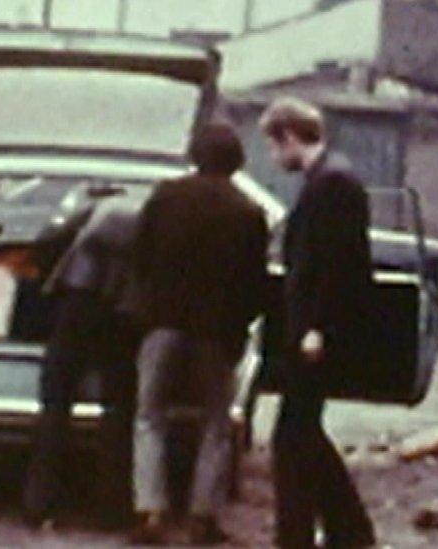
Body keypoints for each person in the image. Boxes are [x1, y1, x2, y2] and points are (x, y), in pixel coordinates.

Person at [130, 122, 268, 545]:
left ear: (194, 154)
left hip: (163, 325)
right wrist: (239, 325)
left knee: (150, 417)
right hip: (215, 333)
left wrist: (146, 311)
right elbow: (254, 282)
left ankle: (151, 511)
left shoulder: (165, 198)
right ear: (236, 162)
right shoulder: (248, 212)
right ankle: (202, 518)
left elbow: (138, 258)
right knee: (215, 425)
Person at [259, 97, 378, 548]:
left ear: (289, 137)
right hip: (314, 330)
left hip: (316, 333)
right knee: (300, 434)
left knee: (292, 435)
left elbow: (338, 266)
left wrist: (317, 328)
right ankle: (345, 531)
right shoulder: (331, 178)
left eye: (274, 146)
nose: (274, 157)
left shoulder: (332, 184)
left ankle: (305, 536)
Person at [21, 193, 144, 531]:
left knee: (55, 407)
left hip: (75, 306)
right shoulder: (148, 220)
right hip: (122, 314)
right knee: (118, 411)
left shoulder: (89, 216)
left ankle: (39, 504)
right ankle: (113, 509)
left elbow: (46, 247)